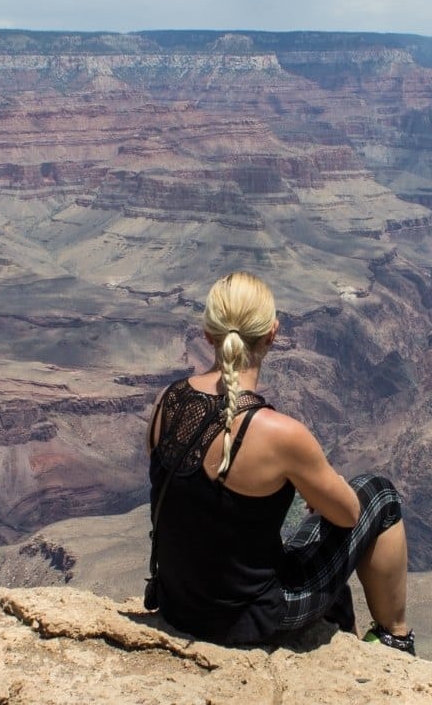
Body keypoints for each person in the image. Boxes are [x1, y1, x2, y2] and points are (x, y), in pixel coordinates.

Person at [145, 271, 415, 655]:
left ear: (207, 334)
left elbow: (184, 499)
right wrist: (329, 483)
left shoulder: (165, 402)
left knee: (305, 543)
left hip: (178, 605)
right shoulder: (278, 433)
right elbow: (350, 516)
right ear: (273, 333)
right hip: (249, 619)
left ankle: (344, 633)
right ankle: (396, 639)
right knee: (379, 494)